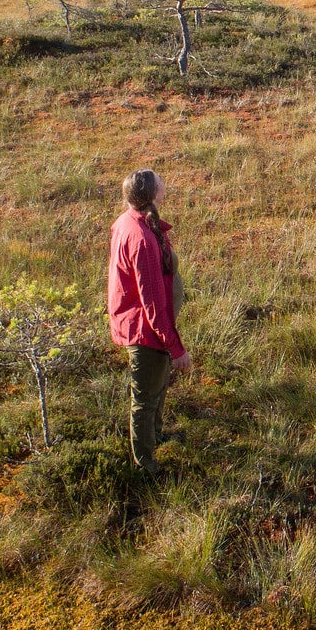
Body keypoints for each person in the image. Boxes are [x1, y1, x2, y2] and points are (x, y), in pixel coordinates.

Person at [107, 168, 189, 474]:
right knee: (144, 398)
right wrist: (176, 348)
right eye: (160, 182)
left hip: (151, 329)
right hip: (147, 332)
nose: (164, 183)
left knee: (156, 388)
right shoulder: (140, 238)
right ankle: (146, 466)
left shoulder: (129, 221)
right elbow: (152, 303)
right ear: (152, 193)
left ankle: (156, 435)